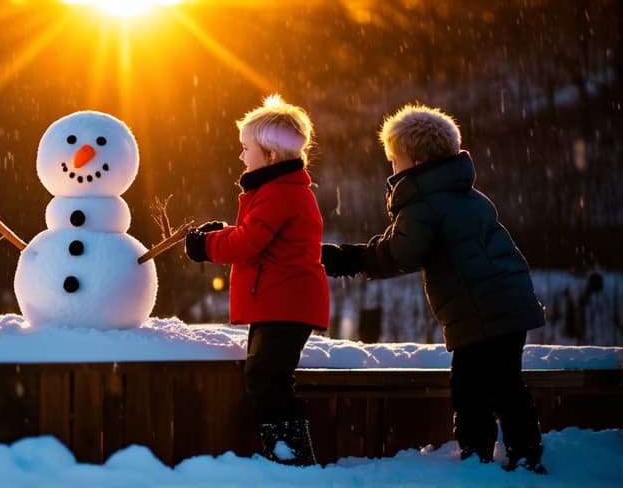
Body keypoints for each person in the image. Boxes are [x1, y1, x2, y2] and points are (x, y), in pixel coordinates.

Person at [321, 103, 547, 474]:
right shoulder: (468, 196)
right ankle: (526, 453)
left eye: (394, 159)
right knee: (507, 384)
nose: (391, 169)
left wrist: (351, 258)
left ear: (413, 159)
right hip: (508, 300)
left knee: (470, 387)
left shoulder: (424, 203)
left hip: (478, 310)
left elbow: (403, 252)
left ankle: (477, 459)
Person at [185, 94, 329, 467]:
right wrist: (220, 233)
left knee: (268, 377)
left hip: (285, 301)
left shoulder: (280, 194)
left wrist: (205, 245)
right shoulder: (279, 191)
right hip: (281, 300)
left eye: (245, 148)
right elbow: (256, 234)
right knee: (266, 375)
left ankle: (290, 453)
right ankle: (285, 450)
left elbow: (249, 242)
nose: (240, 156)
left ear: (270, 156)